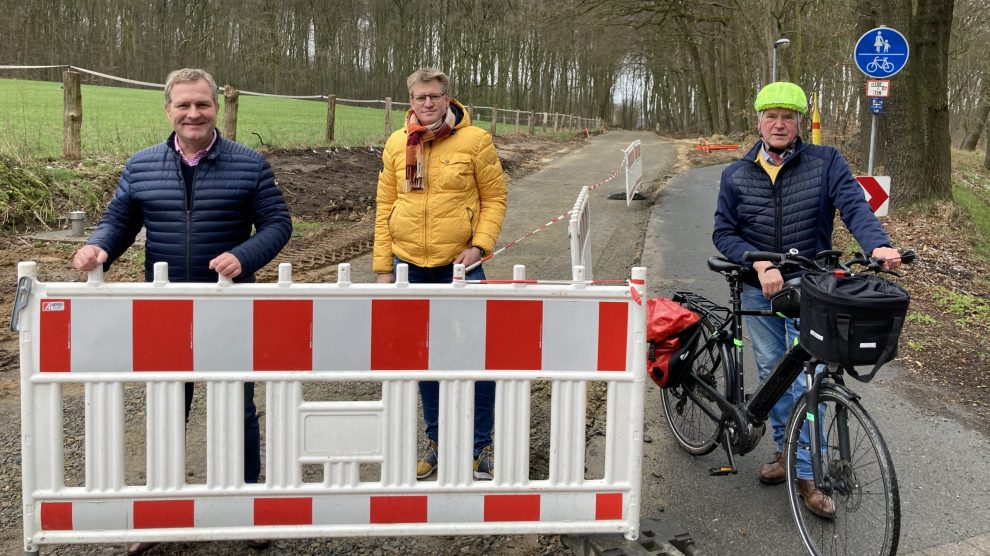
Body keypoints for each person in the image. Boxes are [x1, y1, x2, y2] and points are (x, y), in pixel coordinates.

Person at [72, 68, 291, 554]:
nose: (194, 113)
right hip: (166, 308)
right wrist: (97, 248)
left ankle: (248, 508)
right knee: (169, 404)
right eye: (184, 105)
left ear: (216, 108)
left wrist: (244, 256)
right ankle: (160, 511)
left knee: (236, 407)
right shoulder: (142, 165)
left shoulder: (250, 164)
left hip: (229, 305)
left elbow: (277, 224)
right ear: (168, 109)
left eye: (203, 105)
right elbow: (119, 220)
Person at [713, 81, 901, 518]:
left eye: (789, 117)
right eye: (771, 116)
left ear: (800, 123)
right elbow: (724, 232)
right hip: (760, 290)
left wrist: (877, 245)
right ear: (758, 121)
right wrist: (758, 263)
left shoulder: (825, 161)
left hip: (813, 288)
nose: (779, 124)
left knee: (809, 378)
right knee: (775, 375)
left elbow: (854, 206)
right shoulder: (736, 173)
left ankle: (802, 468)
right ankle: (792, 458)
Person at [373, 67, 507, 481]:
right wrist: (383, 268)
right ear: (410, 101)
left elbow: (494, 198)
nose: (427, 103)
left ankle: (478, 445)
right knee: (423, 358)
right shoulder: (398, 144)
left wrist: (479, 246)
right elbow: (384, 206)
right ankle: (437, 440)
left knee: (476, 357)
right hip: (408, 264)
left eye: (435, 95)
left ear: (448, 98)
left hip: (460, 267)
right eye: (420, 97)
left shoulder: (476, 140)